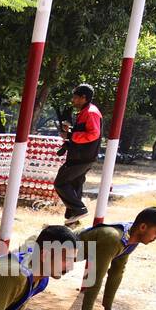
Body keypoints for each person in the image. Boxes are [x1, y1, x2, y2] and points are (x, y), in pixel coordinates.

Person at [75, 207, 156, 310]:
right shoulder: (114, 238)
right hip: (55, 248)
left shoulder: (132, 238)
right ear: (143, 227)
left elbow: (116, 273)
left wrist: (108, 308)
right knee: (43, 278)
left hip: (67, 255)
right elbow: (95, 275)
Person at [54, 84, 104, 225]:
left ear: (84, 97)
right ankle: (73, 220)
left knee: (60, 183)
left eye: (75, 97)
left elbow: (93, 134)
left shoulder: (91, 112)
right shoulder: (85, 111)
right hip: (80, 156)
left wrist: (72, 136)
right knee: (75, 186)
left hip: (82, 157)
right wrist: (69, 133)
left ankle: (80, 210)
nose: (73, 100)